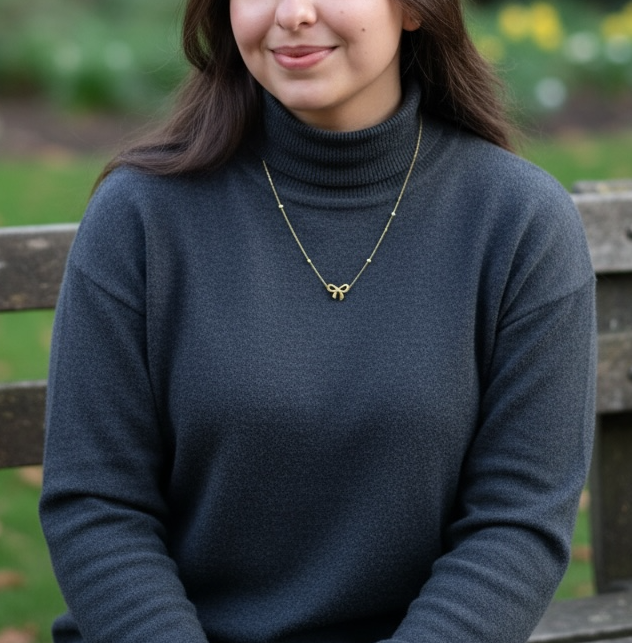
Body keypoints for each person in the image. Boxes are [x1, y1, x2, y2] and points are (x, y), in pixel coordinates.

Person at [39, 0, 597, 642]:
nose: (293, 14)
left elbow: (517, 521)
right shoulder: (140, 217)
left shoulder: (519, 224)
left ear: (414, 10)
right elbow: (97, 505)